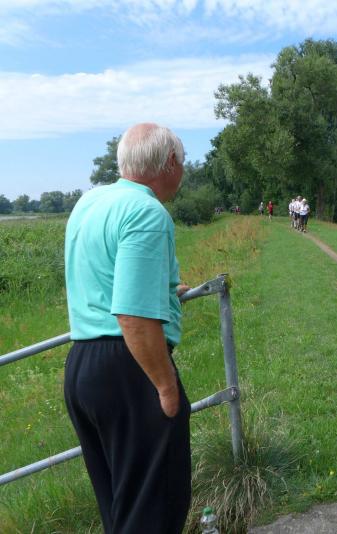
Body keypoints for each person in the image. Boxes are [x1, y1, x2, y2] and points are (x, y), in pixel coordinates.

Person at [63, 123, 192, 532]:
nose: (183, 169)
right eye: (182, 161)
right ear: (169, 163)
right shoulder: (147, 212)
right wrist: (166, 386)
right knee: (154, 510)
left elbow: (107, 276)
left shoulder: (90, 202)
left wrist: (164, 292)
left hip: (83, 367)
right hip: (129, 369)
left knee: (121, 508)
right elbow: (132, 316)